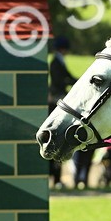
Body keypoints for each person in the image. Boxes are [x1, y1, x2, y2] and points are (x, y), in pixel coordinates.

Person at [48, 36, 75, 190]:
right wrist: (75, 83)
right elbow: (61, 81)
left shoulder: (59, 60)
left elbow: (68, 77)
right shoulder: (55, 62)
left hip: (59, 92)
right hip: (57, 95)